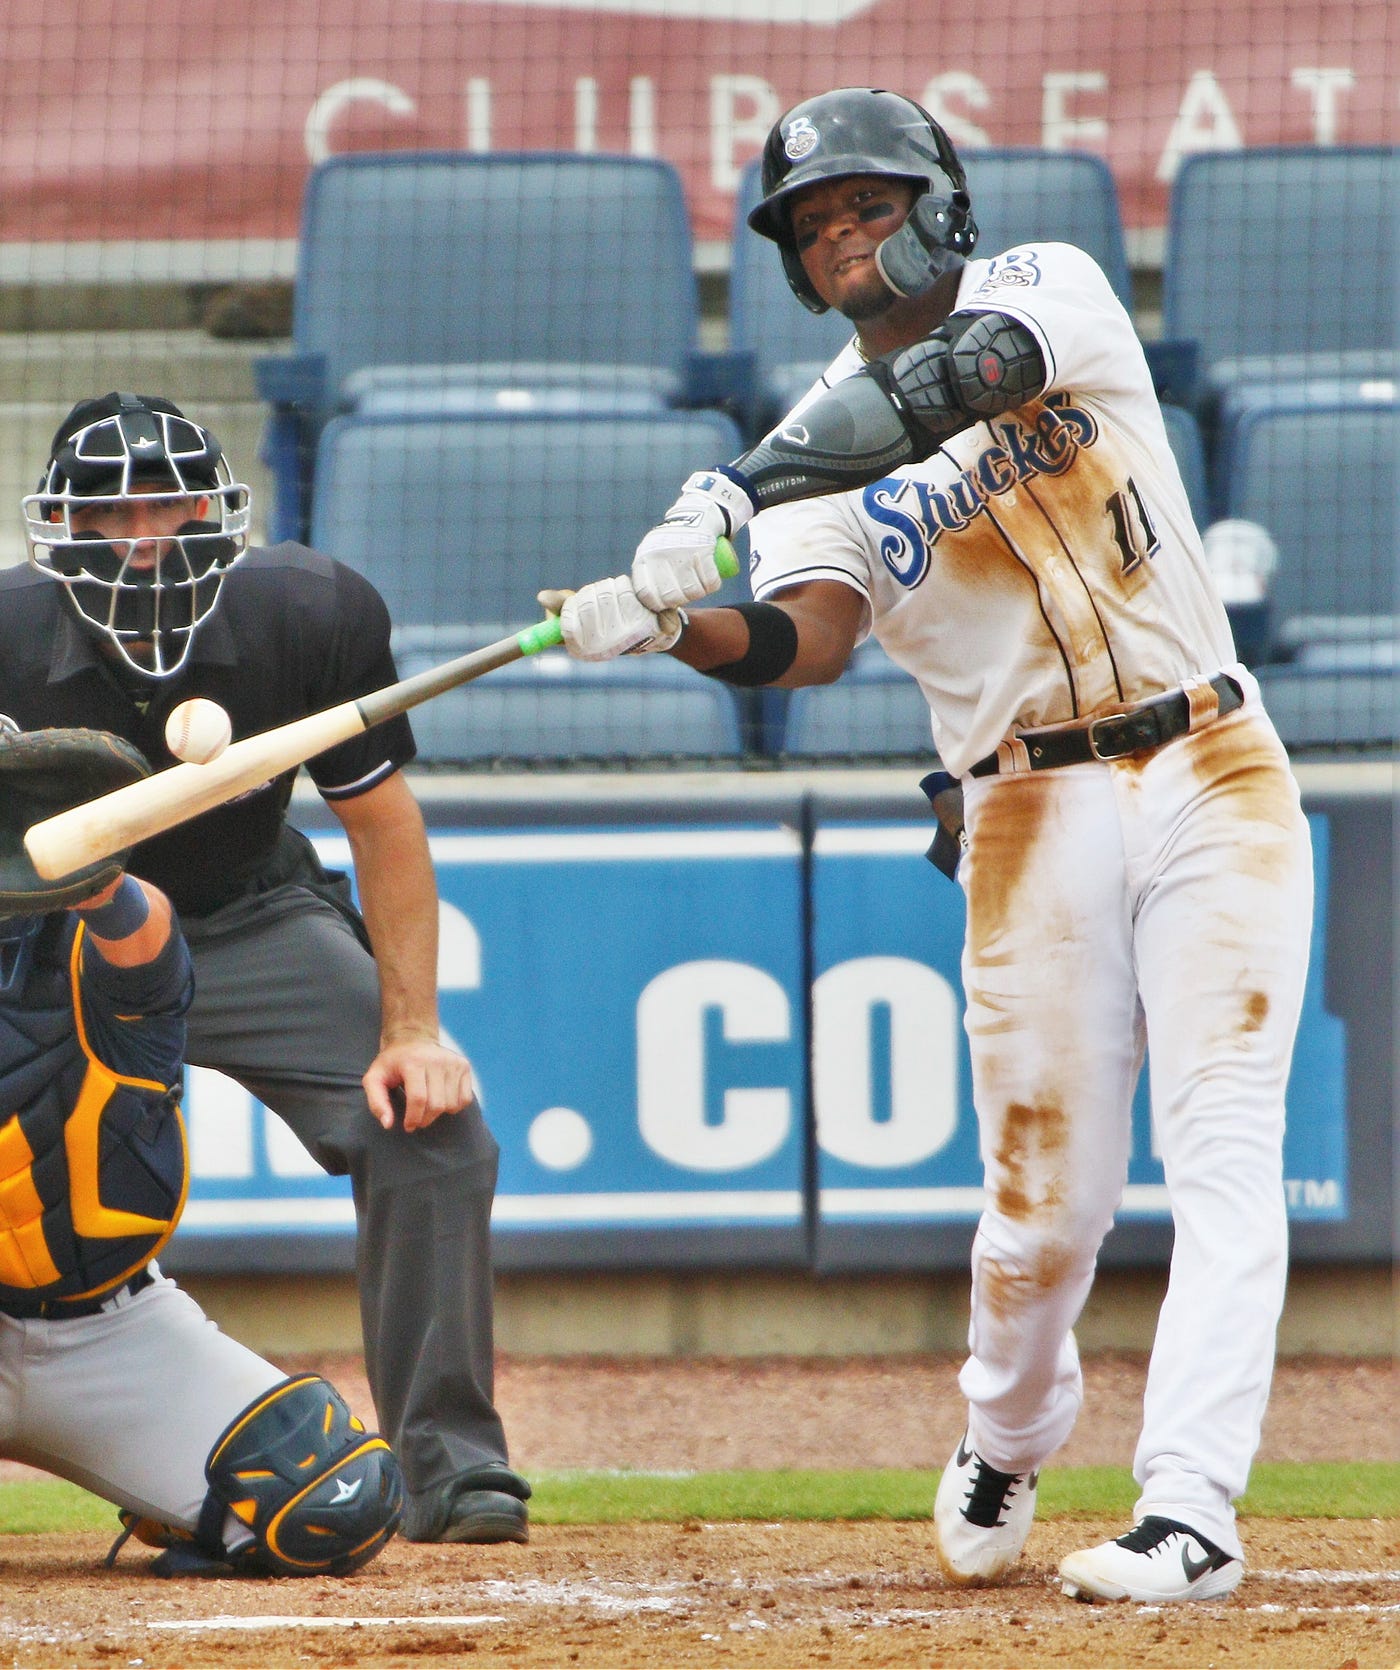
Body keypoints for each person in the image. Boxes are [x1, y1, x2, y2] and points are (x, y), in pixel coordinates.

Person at [555, 88, 1313, 1604]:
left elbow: (956, 383)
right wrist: (671, 629)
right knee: (1048, 1211)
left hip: (1209, 756)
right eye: (817, 229)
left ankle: (1190, 1506)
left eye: (869, 208)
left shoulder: (1048, 289)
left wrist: (732, 482)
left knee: (1229, 1148)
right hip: (1025, 806)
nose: (845, 243)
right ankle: (1009, 1429)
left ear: (939, 200)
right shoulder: (807, 462)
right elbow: (803, 640)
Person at [0, 392, 530, 1544]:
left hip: (248, 918)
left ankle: (453, 1460)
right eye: (109, 512)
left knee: (433, 1129)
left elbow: (382, 825)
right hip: (50, 940)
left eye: (168, 503)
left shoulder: (309, 611)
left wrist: (413, 1027)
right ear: (63, 528)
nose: (142, 534)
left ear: (214, 509)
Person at [0, 726, 401, 1577]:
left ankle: (172, 1494)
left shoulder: (105, 935)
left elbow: (140, 938)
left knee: (332, 1502)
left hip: (112, 1333)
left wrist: (91, 869)